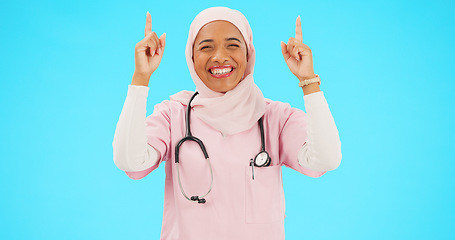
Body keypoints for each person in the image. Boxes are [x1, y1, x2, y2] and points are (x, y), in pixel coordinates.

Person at [113, 6, 341, 239]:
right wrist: (140, 79)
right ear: (191, 57)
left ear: (248, 54)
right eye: (206, 47)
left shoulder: (275, 118)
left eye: (232, 45)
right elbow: (130, 161)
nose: (220, 56)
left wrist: (308, 81)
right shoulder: (173, 116)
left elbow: (326, 159)